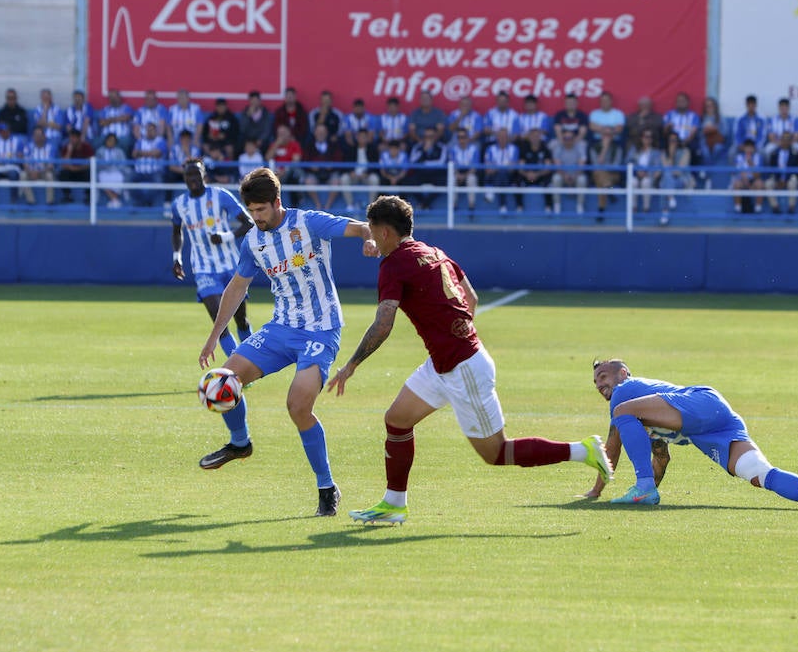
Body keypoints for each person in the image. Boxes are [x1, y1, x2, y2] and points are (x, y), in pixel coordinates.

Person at [326, 196, 613, 524]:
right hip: (445, 363)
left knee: (497, 452)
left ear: (385, 232)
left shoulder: (393, 265)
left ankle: (583, 450)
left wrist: (351, 365)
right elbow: (471, 296)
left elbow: (383, 323)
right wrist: (454, 337)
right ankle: (394, 504)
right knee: (397, 420)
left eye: (373, 232)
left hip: (462, 368)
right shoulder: (434, 252)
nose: (372, 240)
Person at [196, 167, 379, 517]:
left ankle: (327, 488)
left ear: (277, 201)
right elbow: (237, 286)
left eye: (261, 210)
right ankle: (240, 443)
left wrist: (368, 239)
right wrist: (214, 335)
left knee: (297, 406)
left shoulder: (308, 223)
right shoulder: (253, 240)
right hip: (281, 327)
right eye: (251, 210)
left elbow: (359, 227)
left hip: (321, 329)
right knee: (223, 379)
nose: (256, 217)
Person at [584, 359, 798, 512]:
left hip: (699, 402)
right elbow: (661, 459)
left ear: (623, 373)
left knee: (621, 412)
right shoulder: (644, 415)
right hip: (715, 421)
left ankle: (642, 487)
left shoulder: (624, 391)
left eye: (603, 376)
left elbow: (612, 446)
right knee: (760, 475)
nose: (599, 384)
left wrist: (597, 491)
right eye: (595, 382)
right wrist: (649, 491)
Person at [171, 158, 255, 357]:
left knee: (241, 320)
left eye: (196, 174)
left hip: (231, 265)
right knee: (220, 324)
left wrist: (226, 236)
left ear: (204, 175)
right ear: (184, 178)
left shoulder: (220, 196)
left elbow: (248, 222)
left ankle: (253, 360)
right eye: (188, 175)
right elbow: (176, 231)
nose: (192, 178)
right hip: (203, 268)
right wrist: (177, 257)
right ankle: (238, 368)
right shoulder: (179, 205)